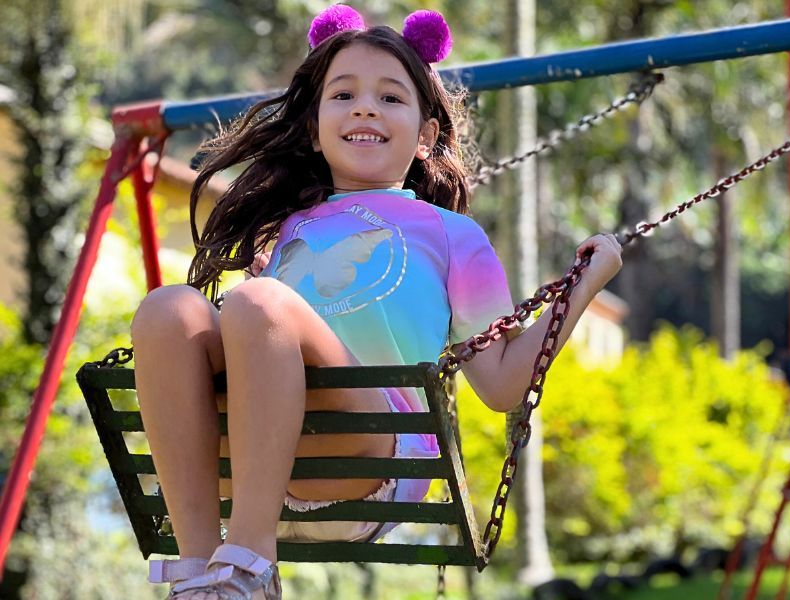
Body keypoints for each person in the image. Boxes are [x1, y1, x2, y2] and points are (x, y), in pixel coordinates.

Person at [131, 5, 623, 599]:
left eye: (390, 97)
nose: (365, 106)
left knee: (259, 304)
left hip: (375, 459)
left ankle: (251, 568)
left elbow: (500, 387)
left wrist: (580, 289)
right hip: (266, 467)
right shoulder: (288, 229)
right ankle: (200, 573)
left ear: (425, 136)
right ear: (313, 129)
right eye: (344, 94)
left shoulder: (450, 235)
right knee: (168, 309)